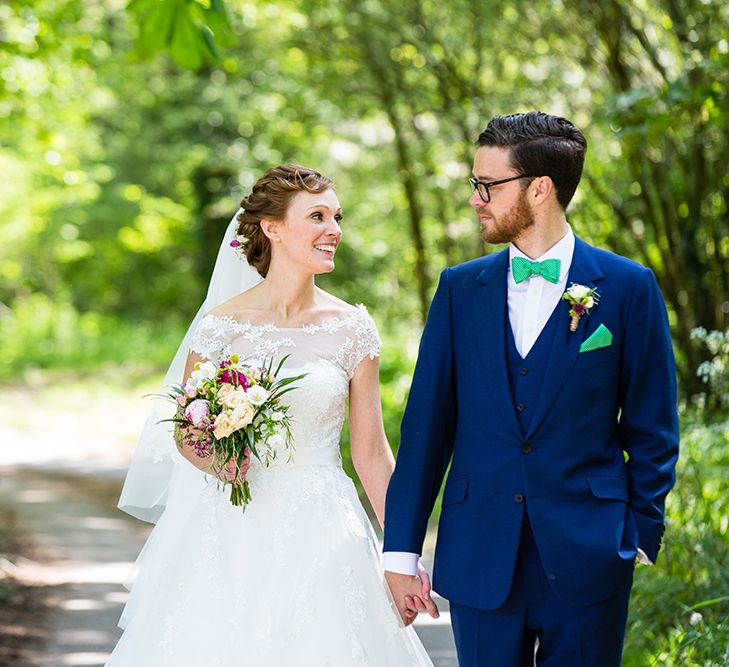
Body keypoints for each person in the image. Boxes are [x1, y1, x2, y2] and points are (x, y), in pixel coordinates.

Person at [382, 112, 679, 666]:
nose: (476, 199)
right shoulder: (458, 290)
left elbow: (653, 425)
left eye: (487, 185)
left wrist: (637, 533)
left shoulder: (629, 288)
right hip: (478, 552)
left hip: (590, 553)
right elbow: (426, 430)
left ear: (539, 189)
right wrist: (400, 550)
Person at [107, 165, 435, 665]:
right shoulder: (220, 326)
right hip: (230, 527)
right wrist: (218, 461)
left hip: (323, 528)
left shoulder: (353, 328)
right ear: (273, 228)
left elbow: (371, 453)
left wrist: (403, 556)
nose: (334, 230)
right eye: (318, 216)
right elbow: (186, 430)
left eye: (337, 217)